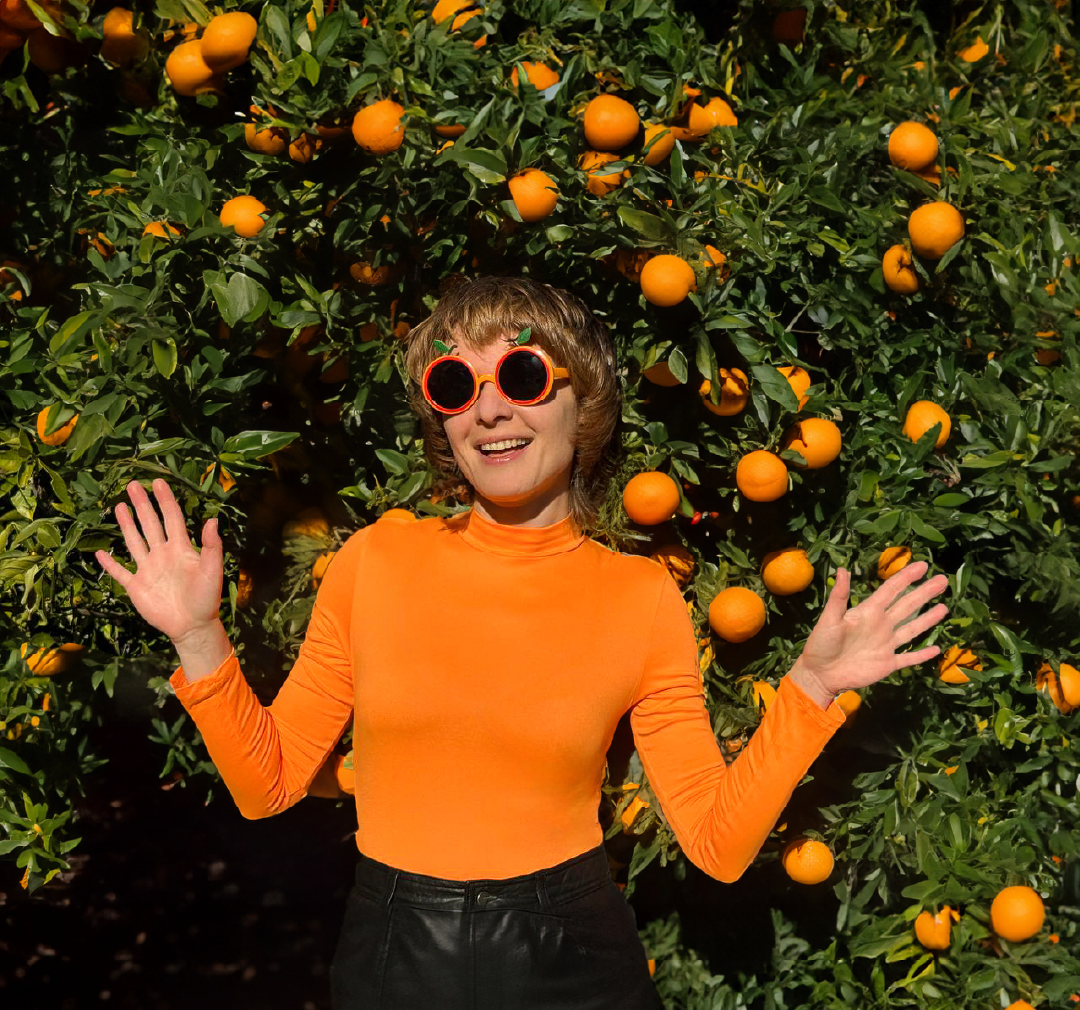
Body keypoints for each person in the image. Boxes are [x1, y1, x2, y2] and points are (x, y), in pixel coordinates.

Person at [93, 276, 950, 1009]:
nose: (490, 409)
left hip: (574, 958)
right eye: (454, 386)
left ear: (586, 405)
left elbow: (717, 845)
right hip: (396, 956)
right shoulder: (375, 562)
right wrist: (199, 636)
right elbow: (269, 784)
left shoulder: (641, 597)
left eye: (524, 374)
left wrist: (811, 689)